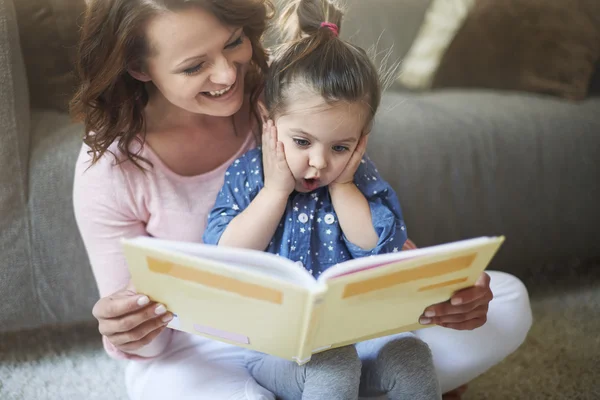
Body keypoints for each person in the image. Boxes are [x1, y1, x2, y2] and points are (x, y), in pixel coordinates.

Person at [70, 0, 532, 399]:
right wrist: (130, 328)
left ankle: (346, 382)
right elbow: (149, 341)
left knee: (508, 300)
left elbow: (364, 229)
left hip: (339, 328)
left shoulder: (289, 92)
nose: (228, 74)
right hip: (210, 347)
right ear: (139, 67)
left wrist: (440, 292)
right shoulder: (111, 170)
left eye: (233, 42)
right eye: (194, 66)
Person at [202, 1, 441, 399]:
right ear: (267, 118)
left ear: (362, 139)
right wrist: (276, 191)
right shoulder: (249, 176)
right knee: (332, 360)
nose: (318, 163)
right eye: (301, 142)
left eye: (340, 146)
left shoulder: (357, 178)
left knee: (410, 353)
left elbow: (375, 247)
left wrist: (344, 186)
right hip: (273, 347)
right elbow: (225, 256)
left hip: (360, 333)